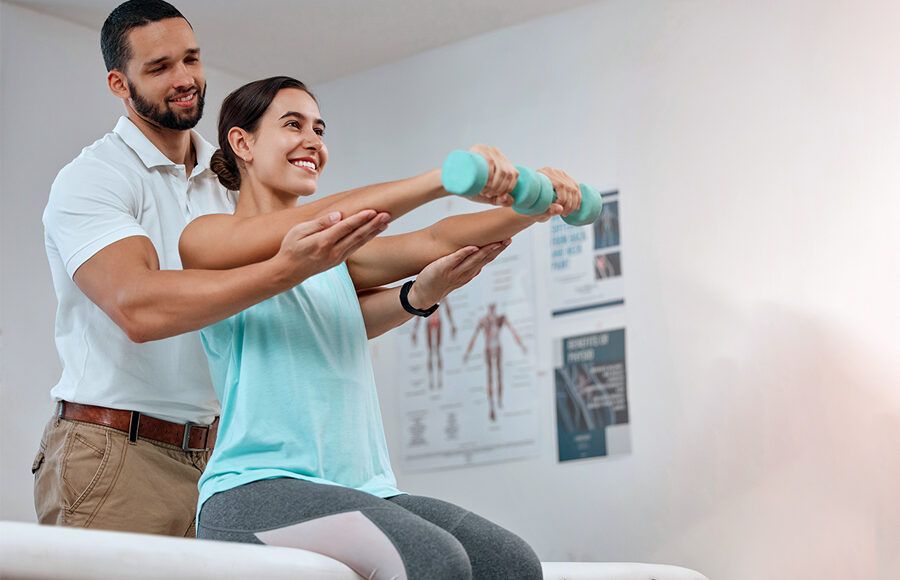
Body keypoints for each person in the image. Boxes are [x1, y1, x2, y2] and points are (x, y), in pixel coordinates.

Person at [32, 0, 510, 537]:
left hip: (224, 450)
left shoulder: (232, 181)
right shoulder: (95, 179)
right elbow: (137, 308)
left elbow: (325, 310)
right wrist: (443, 180)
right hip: (118, 448)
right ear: (120, 84)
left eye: (191, 58)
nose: (186, 78)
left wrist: (413, 296)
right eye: (160, 67)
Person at [181, 76, 586, 579]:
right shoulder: (207, 239)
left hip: (362, 486)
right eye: (293, 125)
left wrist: (534, 207)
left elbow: (437, 237)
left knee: (511, 564)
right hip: (254, 489)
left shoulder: (332, 259)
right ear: (241, 143)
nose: (313, 140)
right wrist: (448, 177)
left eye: (319, 129)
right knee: (431, 559)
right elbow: (338, 216)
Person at [463, 303, 527, 421]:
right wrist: (467, 353)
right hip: (489, 348)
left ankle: (499, 402)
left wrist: (521, 345)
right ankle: (492, 406)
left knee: (498, 375)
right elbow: (474, 337)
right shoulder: (484, 321)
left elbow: (513, 332)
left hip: (496, 347)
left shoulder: (500, 319)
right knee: (491, 377)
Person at [411, 297, 456, 389]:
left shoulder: (442, 295)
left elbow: (448, 309)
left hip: (438, 321)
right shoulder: (435, 293)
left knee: (438, 351)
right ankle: (431, 380)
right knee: (431, 352)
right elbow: (420, 311)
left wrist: (452, 324)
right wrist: (415, 329)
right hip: (430, 321)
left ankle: (439, 379)